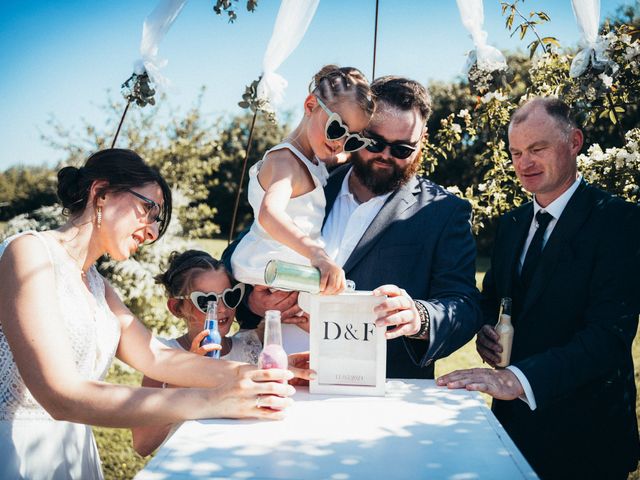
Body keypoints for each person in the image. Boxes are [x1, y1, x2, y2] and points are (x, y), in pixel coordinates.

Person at [0, 149, 311, 479]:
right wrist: (212, 401)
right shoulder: (29, 253)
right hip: (18, 453)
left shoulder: (98, 285)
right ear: (100, 193)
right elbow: (60, 394)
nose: (150, 232)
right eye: (148, 210)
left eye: (157, 220)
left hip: (74, 454)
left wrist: (263, 372)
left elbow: (159, 358)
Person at [437, 97, 640, 479]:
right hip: (512, 430)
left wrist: (517, 379)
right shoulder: (512, 224)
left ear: (574, 142)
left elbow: (607, 337)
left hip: (588, 439)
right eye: (515, 152)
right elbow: (492, 300)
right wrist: (483, 330)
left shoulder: (620, 222)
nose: (523, 163)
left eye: (537, 149)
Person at [229, 76, 482, 378]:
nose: (385, 156)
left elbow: (465, 305)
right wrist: (252, 300)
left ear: (422, 140)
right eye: (374, 142)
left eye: (402, 149)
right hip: (283, 378)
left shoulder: (443, 211)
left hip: (379, 392)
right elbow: (244, 252)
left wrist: (419, 317)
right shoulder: (310, 180)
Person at [230, 64, 376, 296]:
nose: (339, 143)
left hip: (295, 271)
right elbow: (270, 214)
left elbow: (340, 156)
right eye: (337, 129)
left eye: (352, 140)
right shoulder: (285, 163)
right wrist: (316, 253)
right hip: (273, 268)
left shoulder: (314, 159)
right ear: (310, 105)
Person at [131, 249, 262, 456]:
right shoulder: (163, 357)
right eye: (207, 301)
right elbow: (142, 445)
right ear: (176, 307)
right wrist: (185, 375)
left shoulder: (250, 346)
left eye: (230, 296)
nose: (220, 309)